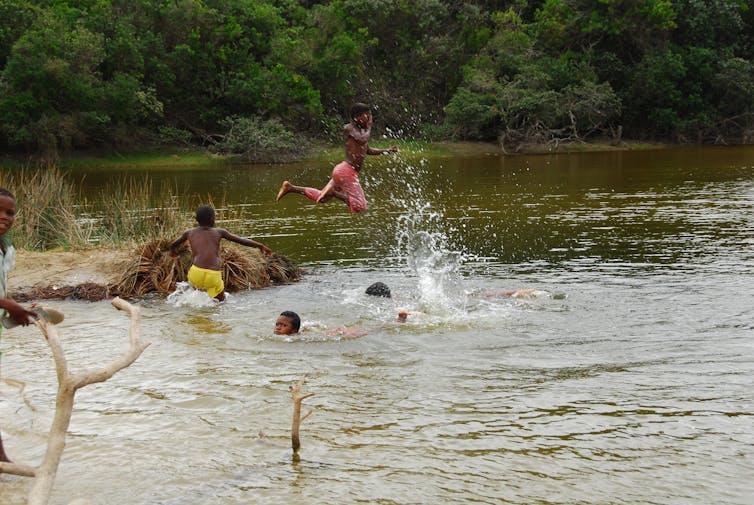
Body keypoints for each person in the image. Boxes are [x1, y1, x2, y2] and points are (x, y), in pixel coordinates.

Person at [276, 103, 399, 213]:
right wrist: (369, 127)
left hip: (343, 171)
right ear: (356, 117)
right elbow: (363, 140)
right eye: (366, 116)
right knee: (360, 206)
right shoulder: (350, 129)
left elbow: (368, 150)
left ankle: (291, 188)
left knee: (322, 197)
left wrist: (387, 151)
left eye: (369, 116)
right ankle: (334, 192)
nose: (369, 119)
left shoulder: (361, 132)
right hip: (346, 171)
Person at [0, 188, 37, 463]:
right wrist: (11, 307)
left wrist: (16, 307)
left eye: (10, 212)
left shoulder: (5, 247)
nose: (5, 217)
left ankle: (1, 458)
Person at [169, 205, 272, 301]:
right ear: (212, 219)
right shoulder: (219, 232)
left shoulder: (189, 232)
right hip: (213, 275)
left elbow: (174, 244)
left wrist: (173, 252)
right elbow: (241, 240)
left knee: (196, 296)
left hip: (196, 273)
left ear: (196, 220)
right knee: (221, 302)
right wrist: (260, 246)